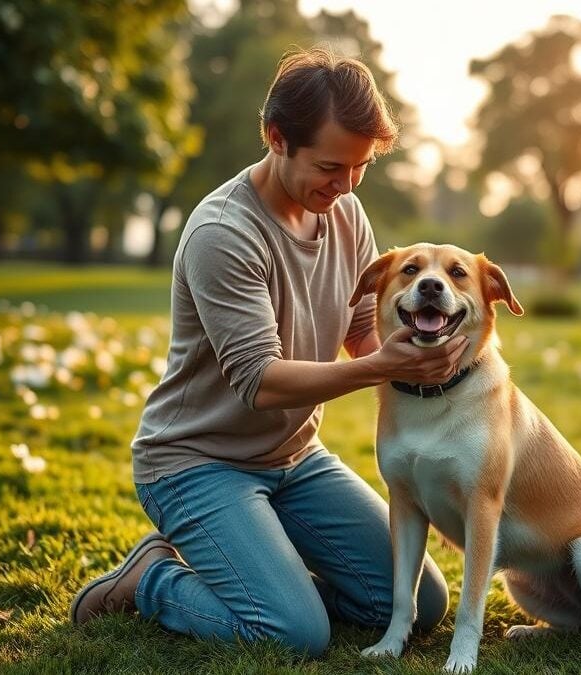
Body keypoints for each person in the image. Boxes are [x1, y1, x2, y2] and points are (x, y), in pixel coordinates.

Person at [69, 48, 470, 657]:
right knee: (293, 633)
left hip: (295, 459)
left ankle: (267, 576)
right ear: (277, 138)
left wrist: (423, 346)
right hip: (196, 463)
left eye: (359, 168)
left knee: (420, 602)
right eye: (331, 166)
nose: (345, 186)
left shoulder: (345, 212)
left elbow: (363, 328)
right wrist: (383, 366)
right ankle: (150, 579)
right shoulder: (223, 234)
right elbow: (261, 381)